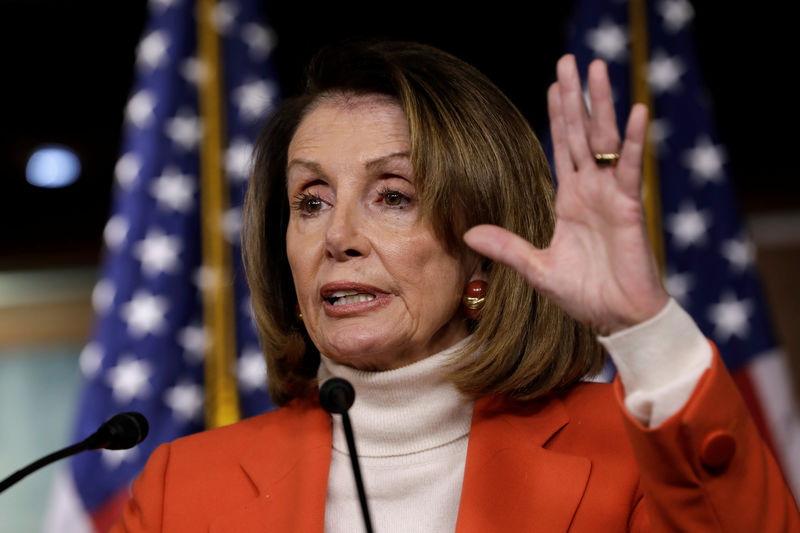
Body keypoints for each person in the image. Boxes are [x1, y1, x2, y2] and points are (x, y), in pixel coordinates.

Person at [112, 41, 799, 532]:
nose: (338, 236)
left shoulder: (626, 454)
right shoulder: (183, 490)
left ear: (482, 248)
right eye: (312, 201)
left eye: (393, 195)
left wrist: (645, 328)